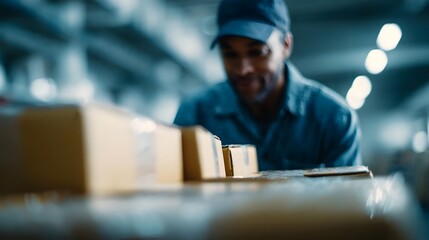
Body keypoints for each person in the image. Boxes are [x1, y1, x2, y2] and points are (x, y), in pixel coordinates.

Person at [174, 0, 362, 170]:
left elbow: (347, 203)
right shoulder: (195, 114)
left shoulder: (333, 120)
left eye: (257, 52)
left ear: (286, 46)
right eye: (230, 54)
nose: (242, 69)